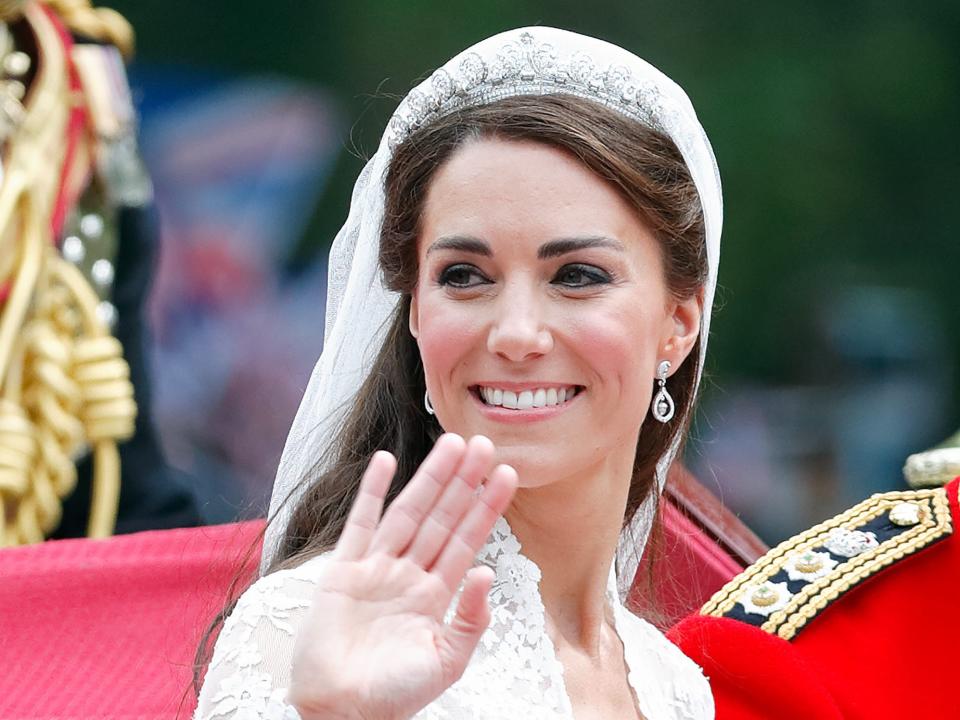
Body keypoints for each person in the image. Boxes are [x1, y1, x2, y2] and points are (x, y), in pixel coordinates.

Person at [194, 26, 722, 720]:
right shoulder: (304, 631)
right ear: (413, 312)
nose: (516, 334)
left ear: (679, 325)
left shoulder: (676, 687)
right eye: (465, 276)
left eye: (578, 276)